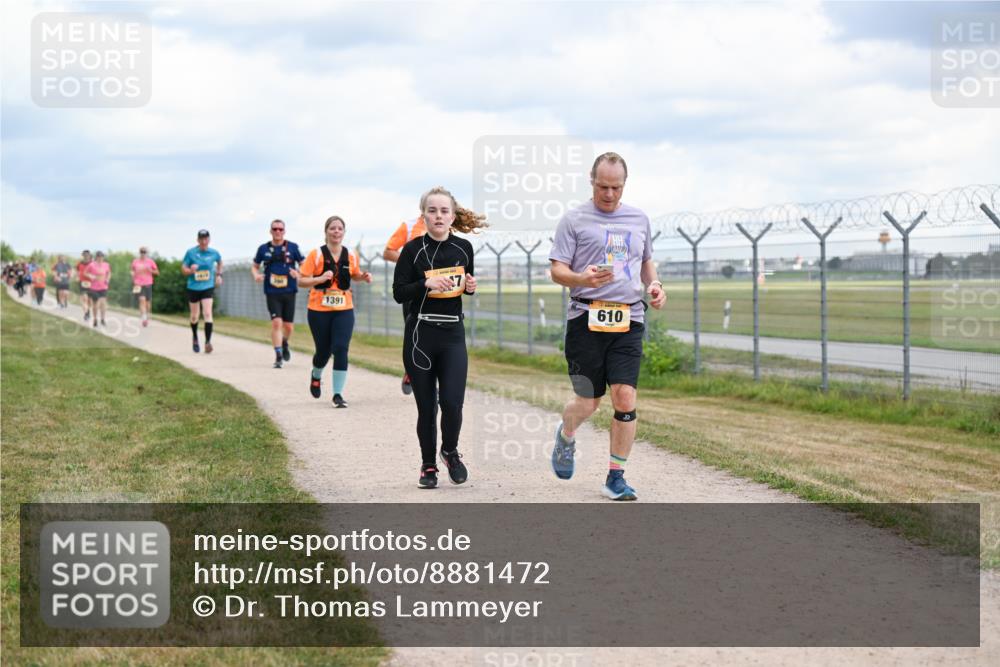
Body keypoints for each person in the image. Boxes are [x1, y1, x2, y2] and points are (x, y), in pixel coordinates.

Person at [548, 152, 666, 501]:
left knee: (625, 395)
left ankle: (616, 477)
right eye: (603, 186)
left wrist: (655, 285)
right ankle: (566, 435)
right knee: (588, 401)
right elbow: (557, 270)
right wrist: (581, 278)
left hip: (629, 316)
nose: (609, 194)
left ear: (624, 185)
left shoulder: (639, 218)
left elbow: (645, 262)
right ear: (591, 180)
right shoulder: (574, 220)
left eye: (616, 187)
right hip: (586, 316)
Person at [393, 186, 486, 489]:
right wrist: (425, 283)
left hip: (452, 334)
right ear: (424, 215)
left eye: (444, 211)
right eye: (432, 211)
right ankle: (428, 465)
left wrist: (470, 287)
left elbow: (464, 287)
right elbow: (398, 293)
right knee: (427, 406)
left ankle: (450, 451)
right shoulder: (412, 250)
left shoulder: (463, 249)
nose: (438, 216)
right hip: (421, 334)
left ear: (453, 216)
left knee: (453, 403)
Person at [298, 216, 372, 408]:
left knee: (340, 348)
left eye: (340, 229)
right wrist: (320, 278)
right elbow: (301, 280)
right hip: (318, 309)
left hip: (344, 309)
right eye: (333, 228)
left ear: (344, 232)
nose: (336, 232)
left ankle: (338, 395)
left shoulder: (351, 255)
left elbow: (354, 274)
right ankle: (316, 375)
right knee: (323, 352)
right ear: (326, 232)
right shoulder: (316, 255)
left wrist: (362, 277)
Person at [383, 213, 428, 394]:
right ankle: (411, 369)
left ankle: (435, 378)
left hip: (439, 287)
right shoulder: (409, 226)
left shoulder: (446, 224)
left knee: (436, 331)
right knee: (414, 330)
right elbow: (388, 251)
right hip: (412, 288)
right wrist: (411, 262)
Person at [252, 219, 305, 368]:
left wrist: (299, 273)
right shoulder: (263, 249)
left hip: (289, 291)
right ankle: (278, 356)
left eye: (280, 229)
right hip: (272, 291)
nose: (277, 232)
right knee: (276, 323)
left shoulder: (293, 247)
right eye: (275, 229)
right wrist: (256, 275)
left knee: (288, 327)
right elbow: (255, 266)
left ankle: (285, 342)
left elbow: (304, 264)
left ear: (284, 231)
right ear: (270, 231)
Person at [181, 230, 223, 353]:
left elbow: (220, 262)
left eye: (206, 239)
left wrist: (219, 275)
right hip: (193, 287)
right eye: (201, 239)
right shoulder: (191, 253)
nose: (204, 241)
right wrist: (190, 270)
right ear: (198, 240)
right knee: (194, 316)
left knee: (207, 313)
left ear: (209, 240)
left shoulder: (214, 253)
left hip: (207, 286)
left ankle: (207, 342)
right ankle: (195, 337)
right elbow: (183, 269)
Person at [130, 247, 159, 327]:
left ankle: (147, 316)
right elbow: (132, 270)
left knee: (148, 303)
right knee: (141, 300)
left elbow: (157, 272)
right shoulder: (135, 261)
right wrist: (132, 275)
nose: (143, 253)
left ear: (147, 253)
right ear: (139, 253)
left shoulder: (150, 261)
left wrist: (151, 271)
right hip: (138, 284)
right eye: (141, 252)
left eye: (144, 252)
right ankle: (144, 318)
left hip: (148, 283)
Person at [85, 251, 112, 327]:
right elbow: (85, 273)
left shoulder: (106, 265)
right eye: (99, 256)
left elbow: (109, 273)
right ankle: (95, 319)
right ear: (96, 257)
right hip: (94, 288)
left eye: (102, 256)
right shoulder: (91, 265)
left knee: (103, 303)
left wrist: (108, 279)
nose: (100, 258)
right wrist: (91, 276)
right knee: (96, 304)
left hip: (103, 287)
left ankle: (103, 319)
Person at [76, 250, 93, 321]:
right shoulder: (79, 264)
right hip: (82, 283)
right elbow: (77, 271)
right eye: (84, 255)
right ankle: (86, 314)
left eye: (87, 255)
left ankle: (88, 311)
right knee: (84, 298)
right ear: (83, 256)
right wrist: (77, 277)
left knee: (90, 300)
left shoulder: (93, 264)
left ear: (89, 255)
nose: (86, 256)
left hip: (92, 284)